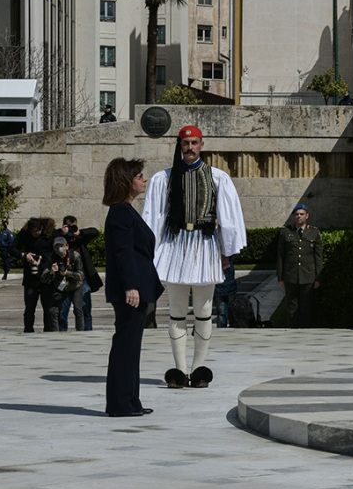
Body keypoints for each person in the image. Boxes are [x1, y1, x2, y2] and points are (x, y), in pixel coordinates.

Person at [142, 125, 246, 389]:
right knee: (177, 312)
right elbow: (154, 218)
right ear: (180, 145)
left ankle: (198, 369)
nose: (190, 147)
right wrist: (150, 252)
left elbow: (228, 218)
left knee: (204, 311)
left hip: (205, 245)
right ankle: (179, 371)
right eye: (186, 143)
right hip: (176, 245)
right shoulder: (164, 178)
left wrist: (226, 251)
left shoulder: (218, 177)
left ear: (202, 144)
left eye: (194, 142)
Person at [103, 158, 163, 417]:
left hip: (138, 288)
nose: (144, 179)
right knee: (126, 346)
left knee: (131, 346)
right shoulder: (120, 212)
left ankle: (130, 401)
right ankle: (121, 403)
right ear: (126, 181)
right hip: (131, 292)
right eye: (139, 176)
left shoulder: (126, 211)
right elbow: (123, 252)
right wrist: (131, 287)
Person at [277, 204, 323, 328]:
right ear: (293, 216)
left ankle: (305, 331)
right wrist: (280, 277)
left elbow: (318, 257)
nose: (299, 216)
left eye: (301, 214)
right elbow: (281, 256)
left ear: (307, 216)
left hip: (308, 276)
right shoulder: (286, 232)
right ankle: (292, 330)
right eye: (296, 214)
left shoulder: (314, 232)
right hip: (290, 275)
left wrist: (318, 278)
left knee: (306, 307)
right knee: (291, 307)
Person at [55, 216, 103, 331]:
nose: (71, 228)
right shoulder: (60, 238)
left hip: (82, 279)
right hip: (65, 280)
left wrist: (79, 232)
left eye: (73, 226)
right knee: (62, 310)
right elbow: (52, 237)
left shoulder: (80, 238)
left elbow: (95, 232)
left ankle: (86, 331)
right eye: (68, 226)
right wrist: (62, 233)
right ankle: (62, 332)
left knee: (84, 309)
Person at [10, 217, 54, 332]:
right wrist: (24, 255)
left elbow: (56, 250)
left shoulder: (50, 232)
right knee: (29, 307)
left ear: (41, 228)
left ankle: (49, 330)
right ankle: (28, 330)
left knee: (48, 307)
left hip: (46, 274)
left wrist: (43, 258)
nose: (35, 234)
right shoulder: (25, 233)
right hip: (31, 275)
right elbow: (13, 248)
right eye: (33, 232)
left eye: (37, 231)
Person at [40, 236, 85, 332]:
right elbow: (43, 278)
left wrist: (68, 273)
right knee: (53, 310)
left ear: (67, 247)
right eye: (56, 247)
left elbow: (81, 275)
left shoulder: (75, 256)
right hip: (61, 286)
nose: (59, 249)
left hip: (75, 286)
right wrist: (51, 272)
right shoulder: (51, 258)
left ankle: (80, 331)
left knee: (78, 309)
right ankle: (55, 331)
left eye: (61, 246)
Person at [213, 255, 237, 329]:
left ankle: (221, 329)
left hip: (221, 285)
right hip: (222, 285)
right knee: (223, 311)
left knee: (222, 311)